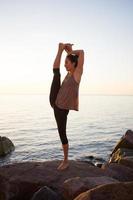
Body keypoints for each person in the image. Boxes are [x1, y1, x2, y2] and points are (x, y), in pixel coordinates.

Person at [49, 42, 84, 170]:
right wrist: (66, 52)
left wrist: (70, 52)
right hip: (56, 100)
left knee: (62, 133)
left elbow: (82, 53)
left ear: (74, 63)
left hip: (61, 109)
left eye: (67, 62)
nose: (65, 65)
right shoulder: (69, 73)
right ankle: (59, 49)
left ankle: (66, 160)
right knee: (56, 72)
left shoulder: (77, 74)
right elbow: (74, 58)